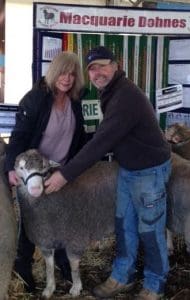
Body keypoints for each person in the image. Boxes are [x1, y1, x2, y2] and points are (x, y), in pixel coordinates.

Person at [43, 46, 171, 300]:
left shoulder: (126, 97)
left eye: (102, 65)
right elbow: (106, 137)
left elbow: (102, 142)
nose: (97, 72)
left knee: (150, 229)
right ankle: (122, 276)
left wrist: (63, 175)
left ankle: (155, 284)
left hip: (149, 171)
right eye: (92, 68)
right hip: (129, 168)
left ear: (116, 65)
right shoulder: (111, 92)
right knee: (124, 226)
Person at [5, 51, 87, 292]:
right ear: (53, 72)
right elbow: (18, 137)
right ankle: (23, 265)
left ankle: (62, 260)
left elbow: (79, 137)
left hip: (59, 171)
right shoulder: (35, 99)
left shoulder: (75, 100)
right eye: (63, 72)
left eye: (72, 74)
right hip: (33, 173)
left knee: (61, 216)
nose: (67, 78)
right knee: (31, 220)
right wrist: (11, 167)